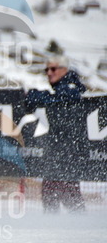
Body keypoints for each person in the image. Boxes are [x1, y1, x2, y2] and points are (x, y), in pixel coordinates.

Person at [26, 56, 86, 212]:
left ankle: (80, 224)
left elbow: (58, 100)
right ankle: (54, 225)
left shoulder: (70, 87)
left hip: (67, 156)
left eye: (53, 69)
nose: (49, 73)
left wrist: (34, 95)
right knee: (52, 198)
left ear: (64, 70)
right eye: (47, 69)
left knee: (68, 201)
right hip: (57, 155)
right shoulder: (63, 87)